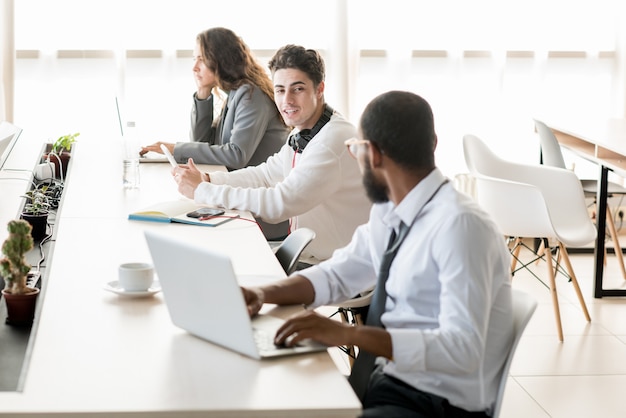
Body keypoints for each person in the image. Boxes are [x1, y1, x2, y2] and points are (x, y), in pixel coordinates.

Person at [241, 91, 514, 417]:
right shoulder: (390, 211)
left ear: (373, 155)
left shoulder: (460, 226)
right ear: (433, 143)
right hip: (388, 381)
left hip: (437, 403)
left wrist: (347, 334)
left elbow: (462, 350)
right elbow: (338, 274)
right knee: (271, 396)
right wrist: (262, 293)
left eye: (355, 149)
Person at [173, 45, 371, 262]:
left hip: (337, 272)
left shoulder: (330, 142)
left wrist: (203, 191)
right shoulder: (307, 130)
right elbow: (265, 176)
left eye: (298, 89)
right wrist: (209, 178)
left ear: (319, 89)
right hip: (307, 258)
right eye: (279, 90)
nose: (287, 100)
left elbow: (279, 204)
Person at [140, 27, 288, 170]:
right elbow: (202, 142)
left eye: (202, 59)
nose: (194, 67)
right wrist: (203, 92)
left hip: (259, 189)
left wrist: (175, 149)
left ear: (222, 60)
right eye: (194, 59)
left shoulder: (250, 95)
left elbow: (236, 156)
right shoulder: (234, 94)